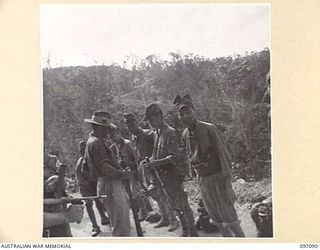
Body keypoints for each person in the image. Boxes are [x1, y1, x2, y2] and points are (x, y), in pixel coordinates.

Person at [174, 94, 245, 237]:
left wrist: (228, 186)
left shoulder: (209, 129)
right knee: (217, 220)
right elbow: (190, 157)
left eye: (188, 112)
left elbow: (224, 156)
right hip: (203, 181)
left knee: (231, 219)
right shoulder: (185, 134)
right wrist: (196, 180)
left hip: (218, 178)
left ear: (195, 111)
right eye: (181, 114)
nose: (185, 116)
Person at [143, 103, 199, 237]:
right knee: (175, 205)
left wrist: (155, 163)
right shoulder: (157, 133)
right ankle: (186, 230)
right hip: (162, 177)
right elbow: (157, 153)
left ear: (158, 116)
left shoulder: (170, 132)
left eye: (151, 120)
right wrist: (150, 160)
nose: (150, 123)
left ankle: (192, 232)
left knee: (183, 205)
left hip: (172, 175)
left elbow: (174, 156)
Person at [84, 111, 132, 236]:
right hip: (110, 185)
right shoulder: (96, 143)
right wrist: (122, 174)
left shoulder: (93, 141)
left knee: (119, 222)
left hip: (107, 184)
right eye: (106, 128)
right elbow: (105, 169)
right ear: (99, 127)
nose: (108, 131)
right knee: (121, 225)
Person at [123, 113, 166, 225]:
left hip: (153, 167)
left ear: (136, 123)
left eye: (131, 124)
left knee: (160, 193)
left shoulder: (147, 134)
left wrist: (155, 161)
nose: (130, 127)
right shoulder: (133, 138)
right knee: (153, 194)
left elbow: (159, 148)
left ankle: (171, 217)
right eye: (127, 125)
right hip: (143, 169)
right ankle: (164, 217)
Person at [75, 140, 110, 237]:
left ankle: (104, 218)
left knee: (98, 200)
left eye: (84, 150)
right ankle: (95, 226)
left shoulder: (90, 160)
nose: (82, 152)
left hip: (92, 183)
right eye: (81, 151)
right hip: (84, 185)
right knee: (89, 205)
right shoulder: (81, 162)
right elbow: (82, 175)